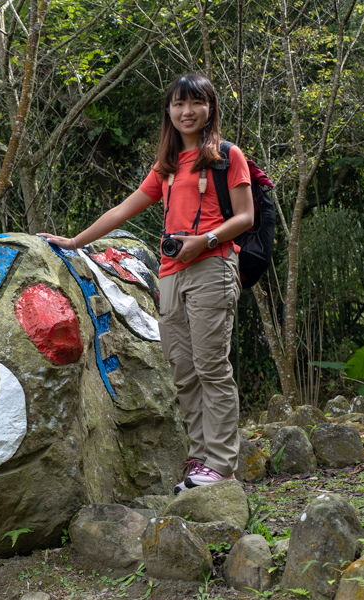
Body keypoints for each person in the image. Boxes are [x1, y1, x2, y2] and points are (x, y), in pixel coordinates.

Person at [38, 73, 254, 493]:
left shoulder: (227, 156)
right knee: (183, 369)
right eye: (178, 104)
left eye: (195, 103)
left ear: (210, 108)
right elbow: (123, 209)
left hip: (213, 265)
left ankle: (222, 463)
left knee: (211, 366)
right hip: (172, 274)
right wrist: (74, 241)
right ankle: (200, 456)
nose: (186, 112)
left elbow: (245, 217)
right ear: (168, 112)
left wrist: (204, 240)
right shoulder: (168, 166)